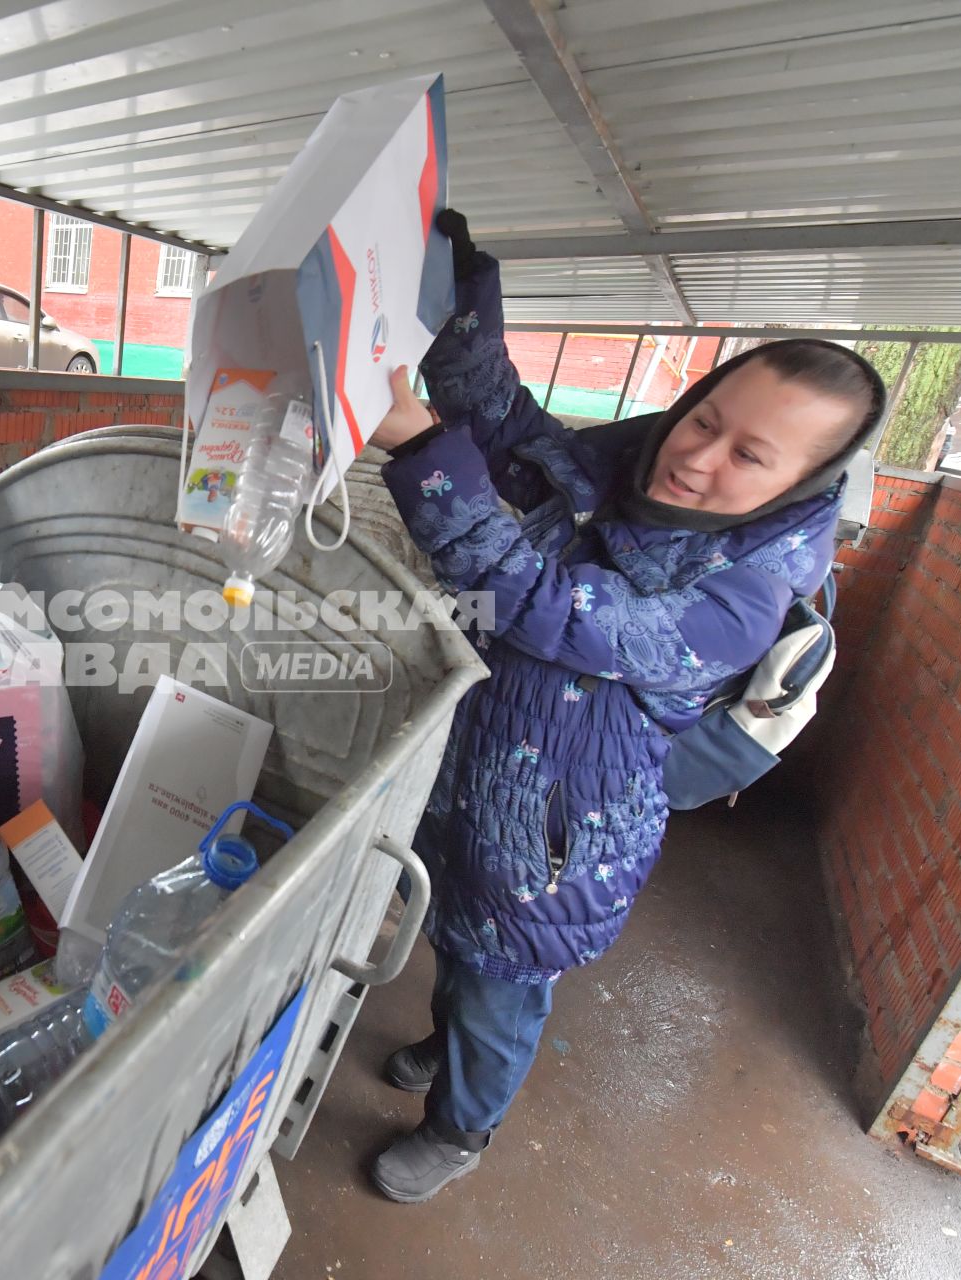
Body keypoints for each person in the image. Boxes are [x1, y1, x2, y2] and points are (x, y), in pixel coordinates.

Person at [363, 210, 882, 1205]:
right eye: (704, 420)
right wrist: (457, 285)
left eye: (751, 456)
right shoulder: (632, 469)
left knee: (503, 980)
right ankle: (442, 1041)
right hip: (478, 766)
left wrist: (421, 448)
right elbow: (508, 429)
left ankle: (462, 1127)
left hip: (557, 838)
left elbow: (540, 605)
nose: (699, 457)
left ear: (800, 486)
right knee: (454, 933)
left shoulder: (740, 598)